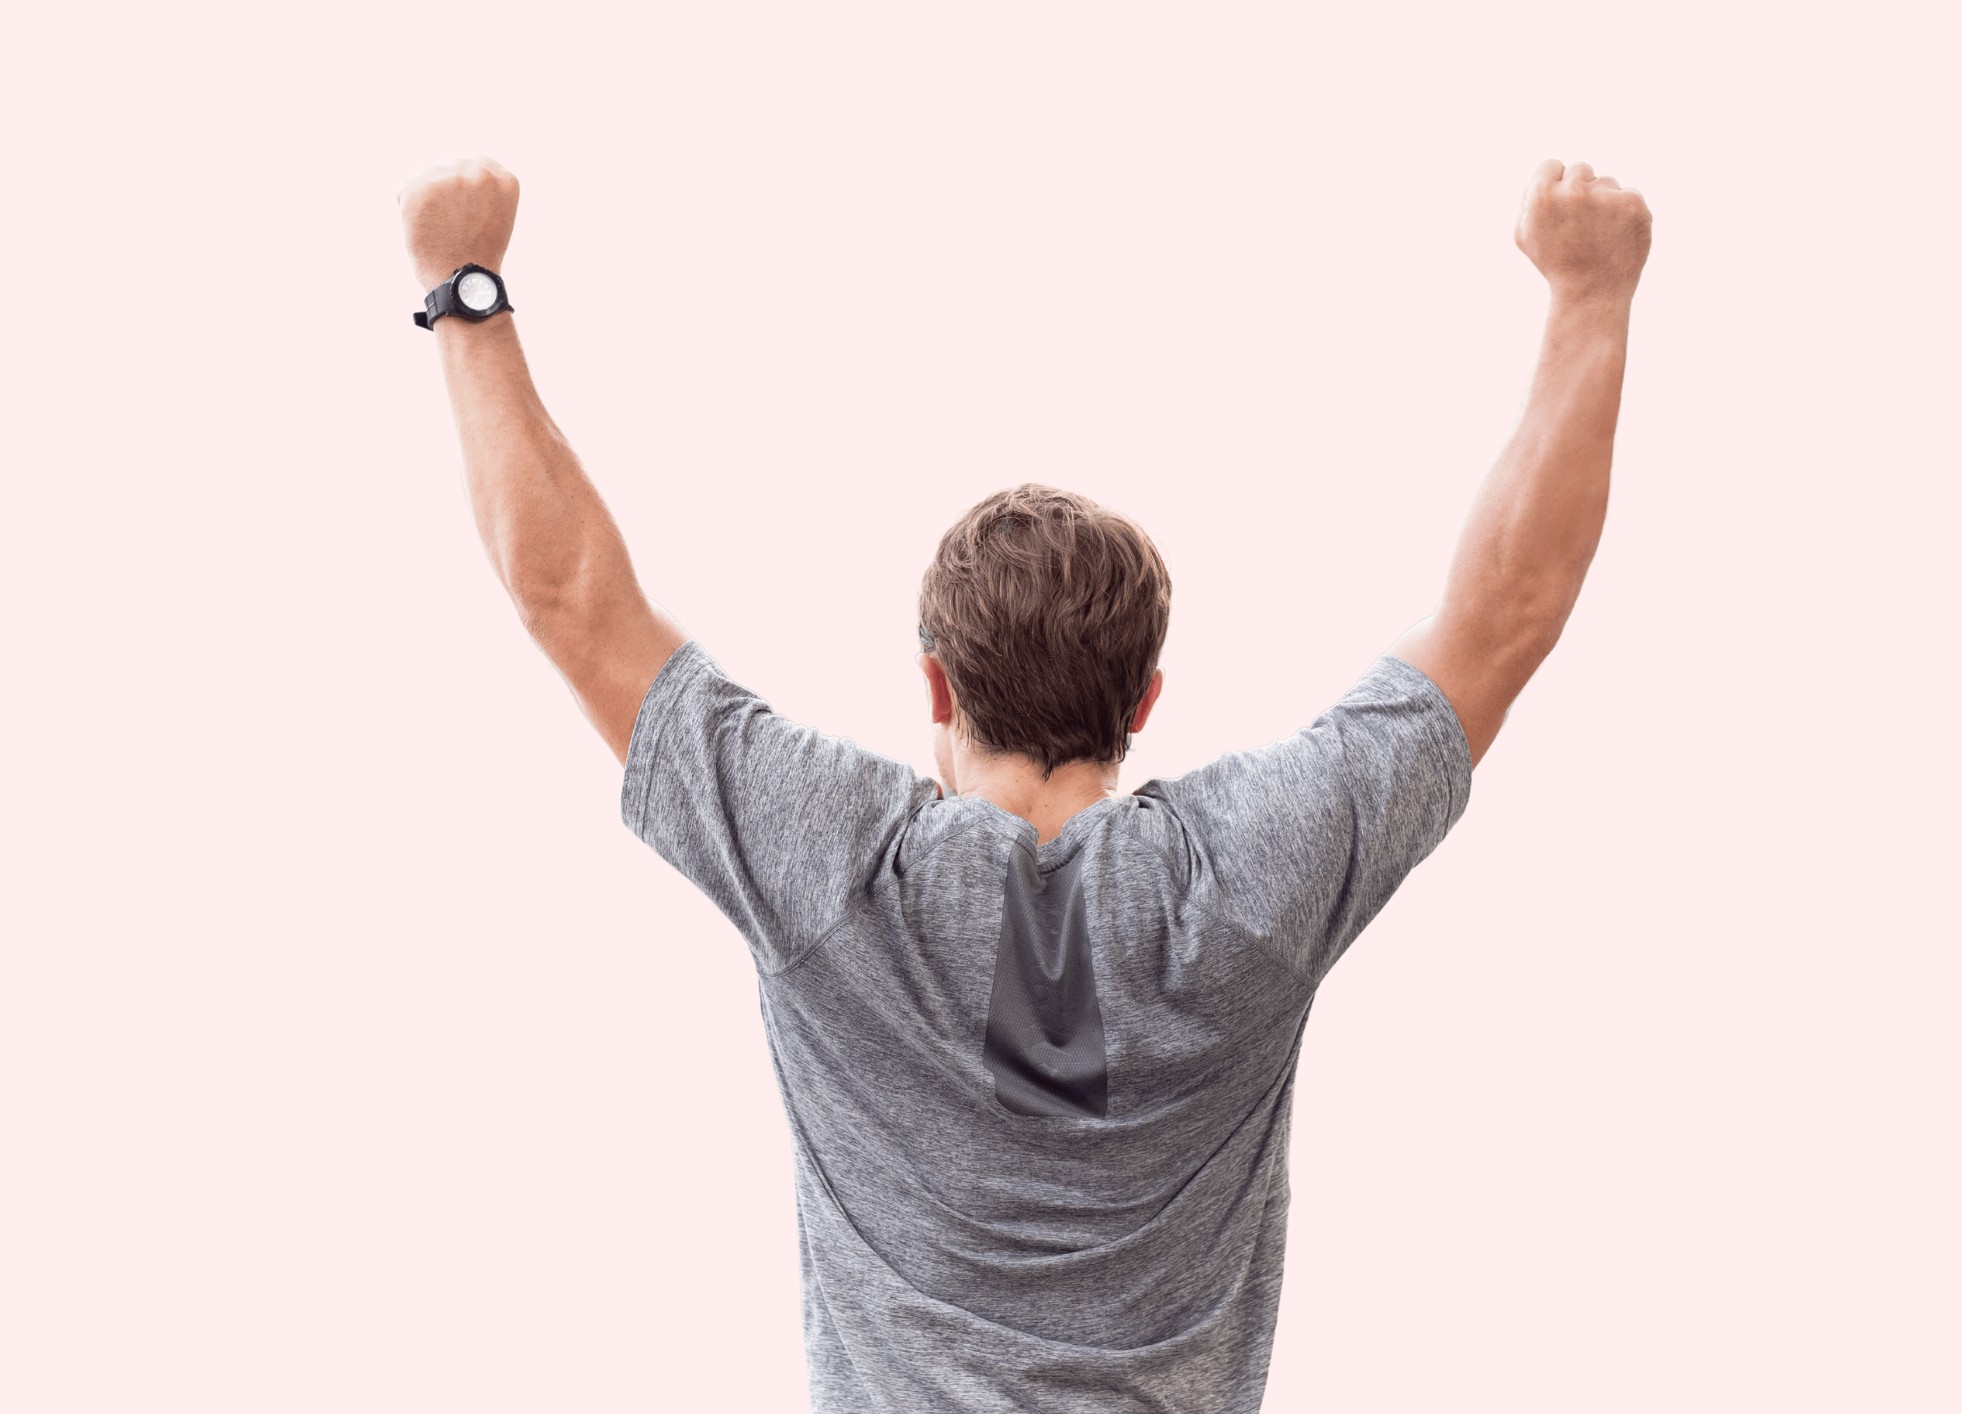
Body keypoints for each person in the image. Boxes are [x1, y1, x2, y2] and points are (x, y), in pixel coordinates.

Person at [399, 154, 1651, 1412]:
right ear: (1143, 701)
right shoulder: (1250, 881)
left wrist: (466, 293)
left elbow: (571, 599)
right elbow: (1508, 611)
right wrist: (1591, 292)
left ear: (935, 689)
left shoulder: (834, 870)